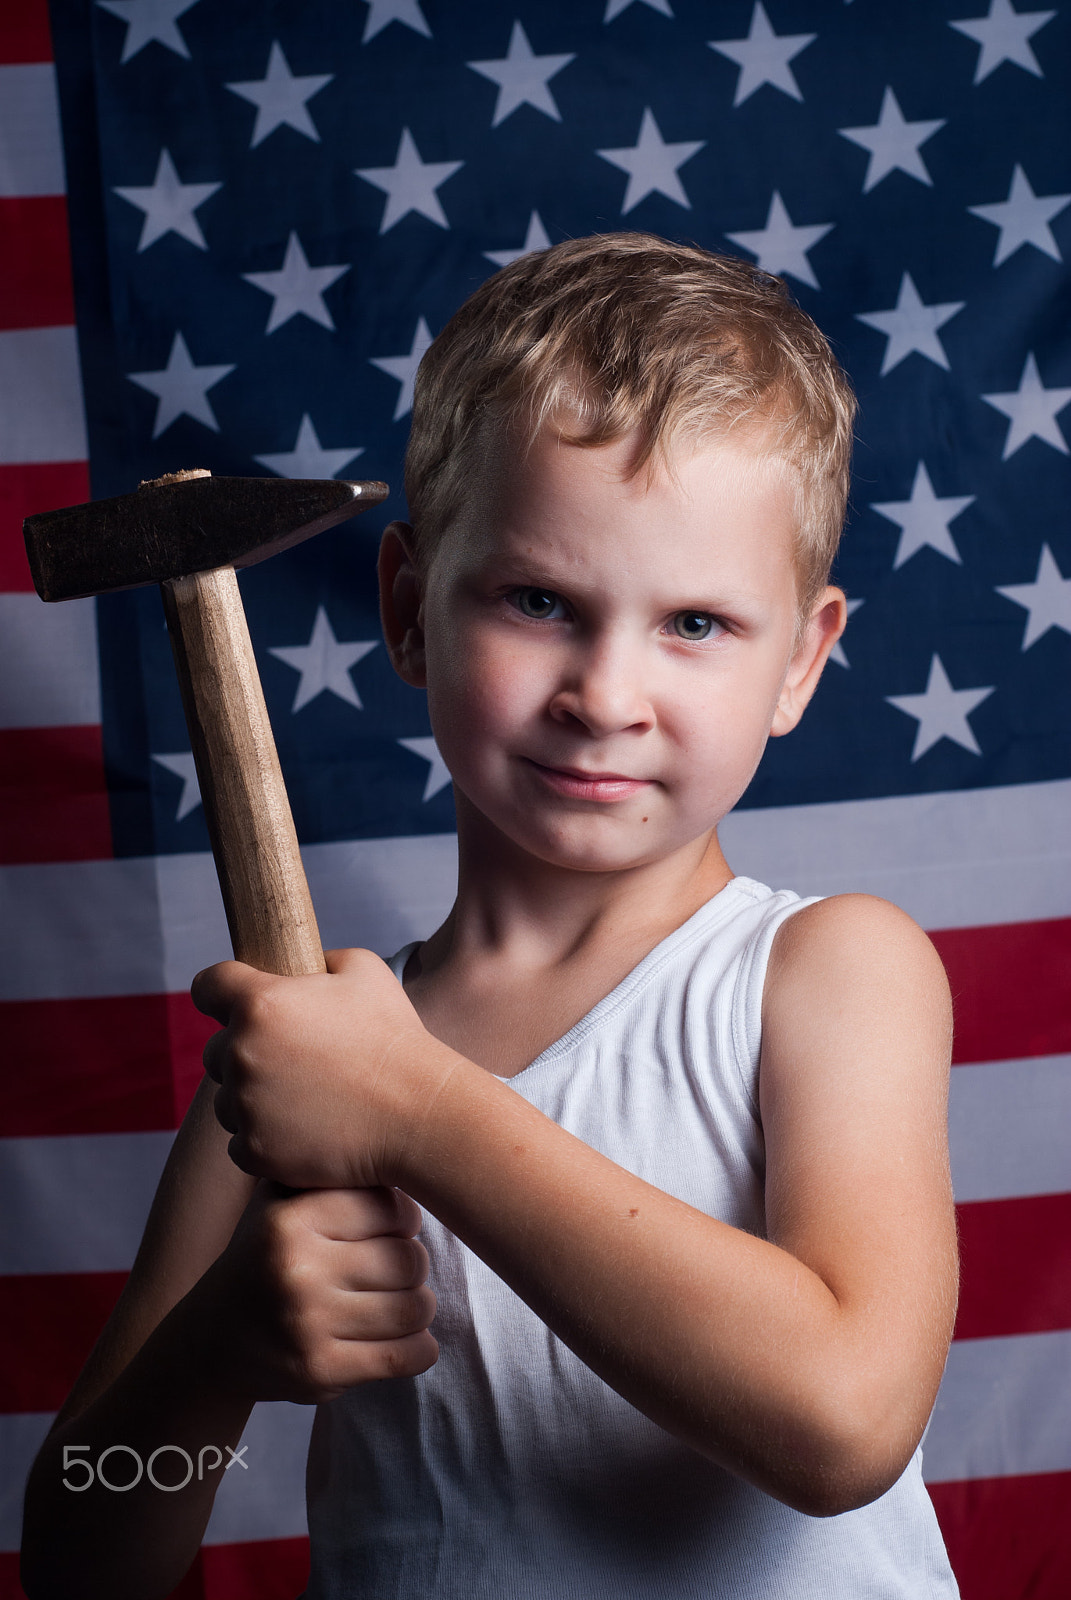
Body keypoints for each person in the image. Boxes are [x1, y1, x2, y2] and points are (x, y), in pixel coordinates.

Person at [21, 233, 960, 1599]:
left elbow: (842, 1423)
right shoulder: (296, 1071)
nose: (605, 691)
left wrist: (418, 1109)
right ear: (409, 609)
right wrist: (208, 1360)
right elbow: (80, 1555)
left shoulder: (822, 973)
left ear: (802, 661)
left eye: (696, 624)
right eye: (538, 600)